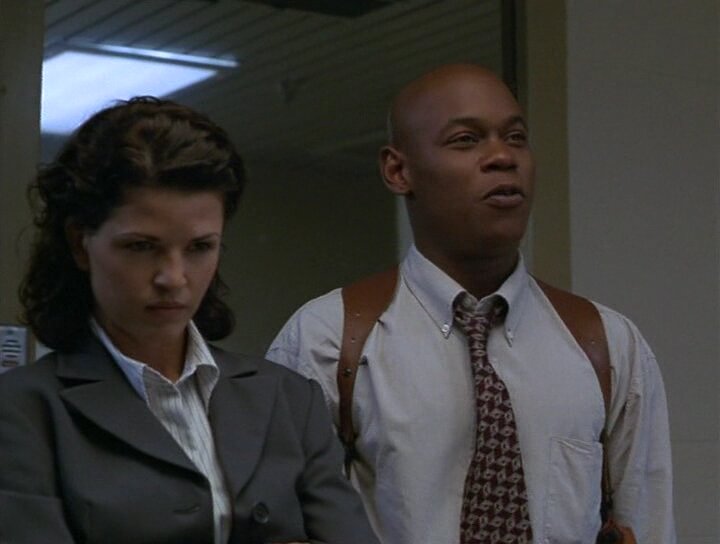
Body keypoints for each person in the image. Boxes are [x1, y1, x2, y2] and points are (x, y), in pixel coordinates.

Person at [266, 64, 676, 543]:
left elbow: (648, 526)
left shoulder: (607, 344)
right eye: (466, 140)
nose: (502, 157)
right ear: (398, 170)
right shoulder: (327, 340)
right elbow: (283, 523)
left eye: (516, 138)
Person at [0, 97, 379, 544]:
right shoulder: (23, 410)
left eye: (200, 247)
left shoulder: (288, 399)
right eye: (141, 247)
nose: (174, 278)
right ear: (80, 244)